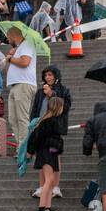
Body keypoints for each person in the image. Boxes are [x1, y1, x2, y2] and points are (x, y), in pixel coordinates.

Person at [31, 65, 71, 201]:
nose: (48, 77)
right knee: (42, 158)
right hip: (40, 128)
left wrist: (52, 94)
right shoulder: (40, 92)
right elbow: (35, 109)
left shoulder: (63, 90)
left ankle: (55, 186)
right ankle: (42, 186)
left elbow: (66, 107)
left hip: (54, 129)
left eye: (50, 75)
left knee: (55, 157)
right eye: (46, 75)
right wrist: (32, 123)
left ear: (56, 76)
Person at [27, 96, 68, 211]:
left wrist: (31, 151)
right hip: (47, 152)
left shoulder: (45, 121)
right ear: (58, 107)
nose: (63, 108)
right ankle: (42, 207)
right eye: (61, 106)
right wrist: (30, 151)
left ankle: (47, 207)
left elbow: (34, 137)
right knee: (49, 180)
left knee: (50, 182)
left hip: (50, 152)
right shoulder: (49, 121)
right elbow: (35, 137)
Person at [4, 26, 38, 148]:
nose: (8, 41)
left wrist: (11, 58)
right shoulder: (18, 49)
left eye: (8, 38)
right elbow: (8, 70)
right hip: (14, 85)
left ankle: (24, 147)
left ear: (13, 36)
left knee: (22, 118)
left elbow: (25, 62)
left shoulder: (27, 44)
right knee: (12, 118)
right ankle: (21, 145)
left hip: (24, 85)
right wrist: (10, 58)